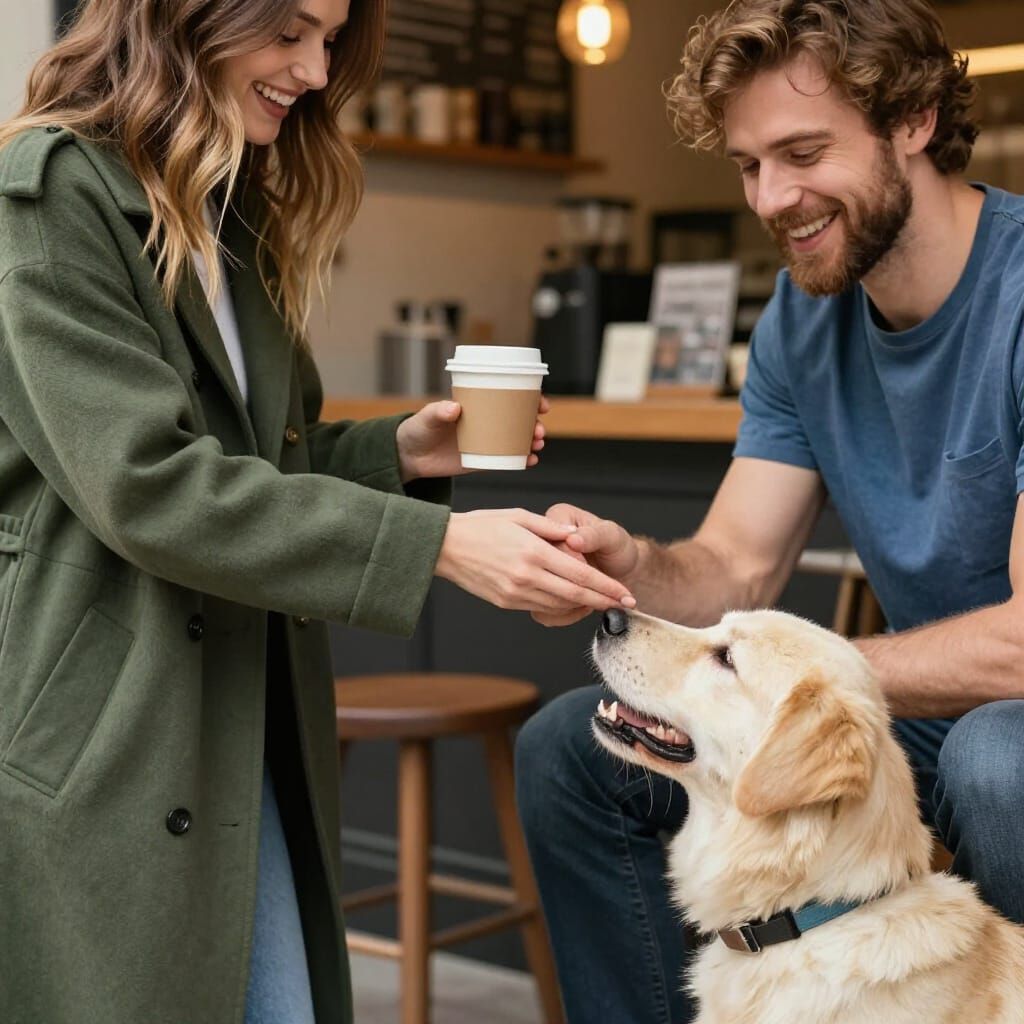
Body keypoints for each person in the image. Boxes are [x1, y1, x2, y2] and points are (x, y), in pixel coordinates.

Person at [0, 2, 638, 1022]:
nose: (313, 68)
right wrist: (438, 544)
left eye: (331, 39)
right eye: (291, 30)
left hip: (245, 708)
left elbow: (265, 463)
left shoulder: (229, 209)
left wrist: (396, 451)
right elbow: (149, 484)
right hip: (110, 725)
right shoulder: (44, 197)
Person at [514, 0, 1024, 1021]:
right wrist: (630, 563)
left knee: (998, 760)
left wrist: (796, 697)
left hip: (997, 718)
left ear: (915, 119)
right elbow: (734, 566)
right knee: (575, 750)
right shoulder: (804, 314)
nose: (772, 197)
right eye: (749, 165)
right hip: (911, 715)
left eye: (801, 151)